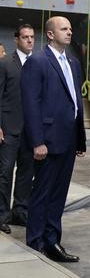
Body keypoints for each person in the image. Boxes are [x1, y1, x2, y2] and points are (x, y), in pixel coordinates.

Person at [21, 17, 86, 261]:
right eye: (64, 29)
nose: (69, 32)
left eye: (70, 29)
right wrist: (37, 141)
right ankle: (35, 243)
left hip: (68, 139)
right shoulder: (37, 62)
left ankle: (52, 241)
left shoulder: (73, 62)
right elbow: (30, 104)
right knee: (42, 193)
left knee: (59, 193)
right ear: (50, 34)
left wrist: (79, 139)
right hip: (47, 140)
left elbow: (75, 102)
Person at [0, 24, 35, 233]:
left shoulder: (39, 63)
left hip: (30, 131)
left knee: (26, 172)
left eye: (32, 37)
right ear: (16, 39)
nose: (29, 40)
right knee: (4, 172)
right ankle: (1, 215)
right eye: (25, 37)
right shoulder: (5, 64)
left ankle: (19, 212)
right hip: (9, 127)